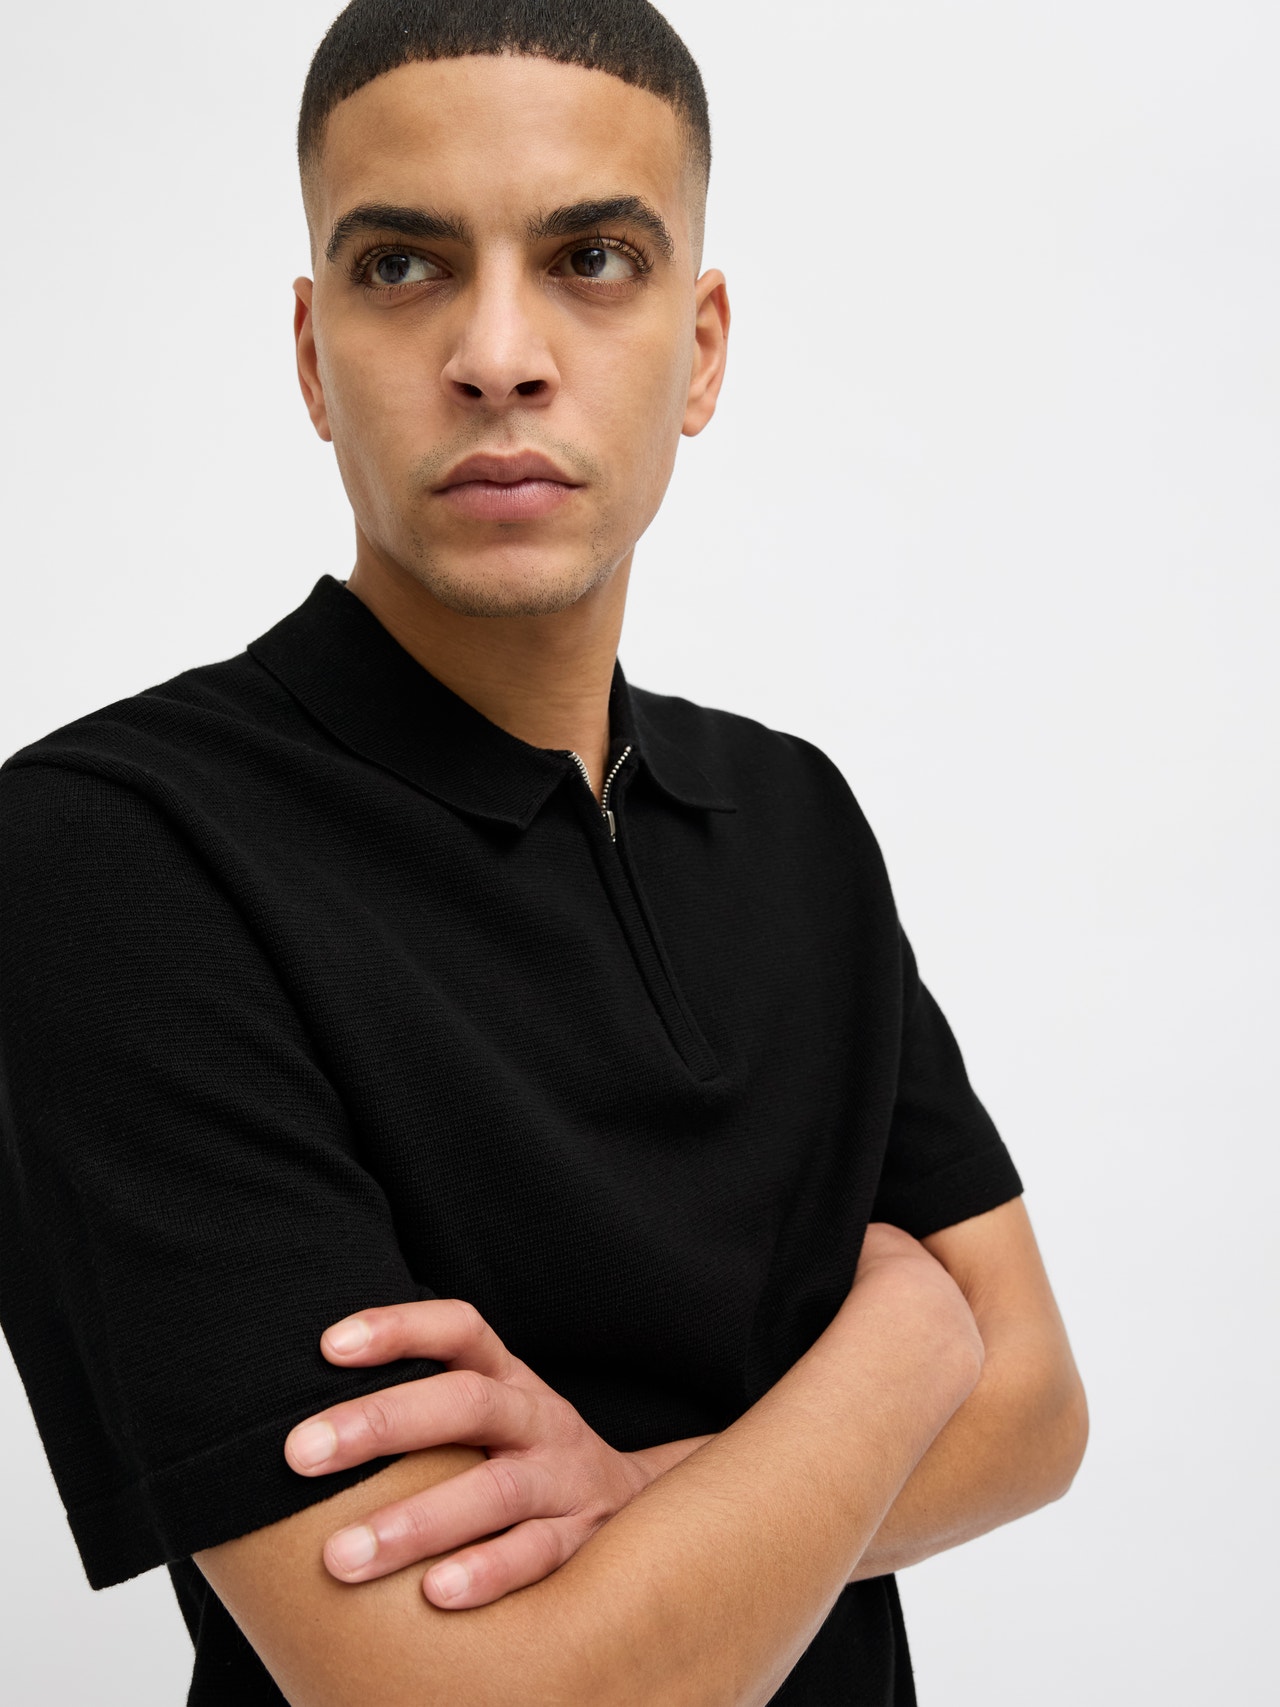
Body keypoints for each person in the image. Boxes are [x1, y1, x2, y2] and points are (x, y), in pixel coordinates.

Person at [0, 2, 1088, 1702]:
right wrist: (908, 1334)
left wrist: (635, 1505)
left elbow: (1040, 1415)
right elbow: (471, 1693)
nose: (498, 353)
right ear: (312, 355)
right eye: (402, 267)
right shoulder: (114, 853)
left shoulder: (795, 816)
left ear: (701, 349)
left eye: (591, 259)